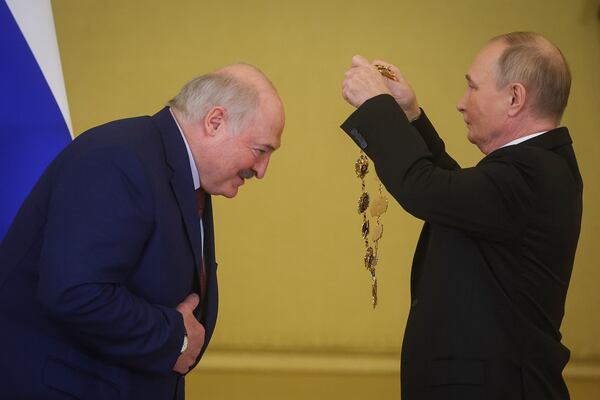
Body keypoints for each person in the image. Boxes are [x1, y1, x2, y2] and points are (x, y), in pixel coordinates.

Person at [0, 63, 285, 399]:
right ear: (215, 122)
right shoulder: (119, 158)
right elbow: (74, 292)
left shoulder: (179, 172)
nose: (262, 170)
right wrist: (174, 337)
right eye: (261, 150)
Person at [341, 32, 582, 399]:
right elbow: (454, 196)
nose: (460, 103)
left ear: (514, 98)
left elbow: (425, 189)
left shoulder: (533, 172)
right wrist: (409, 116)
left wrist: (376, 106)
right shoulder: (537, 169)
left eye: (472, 87)